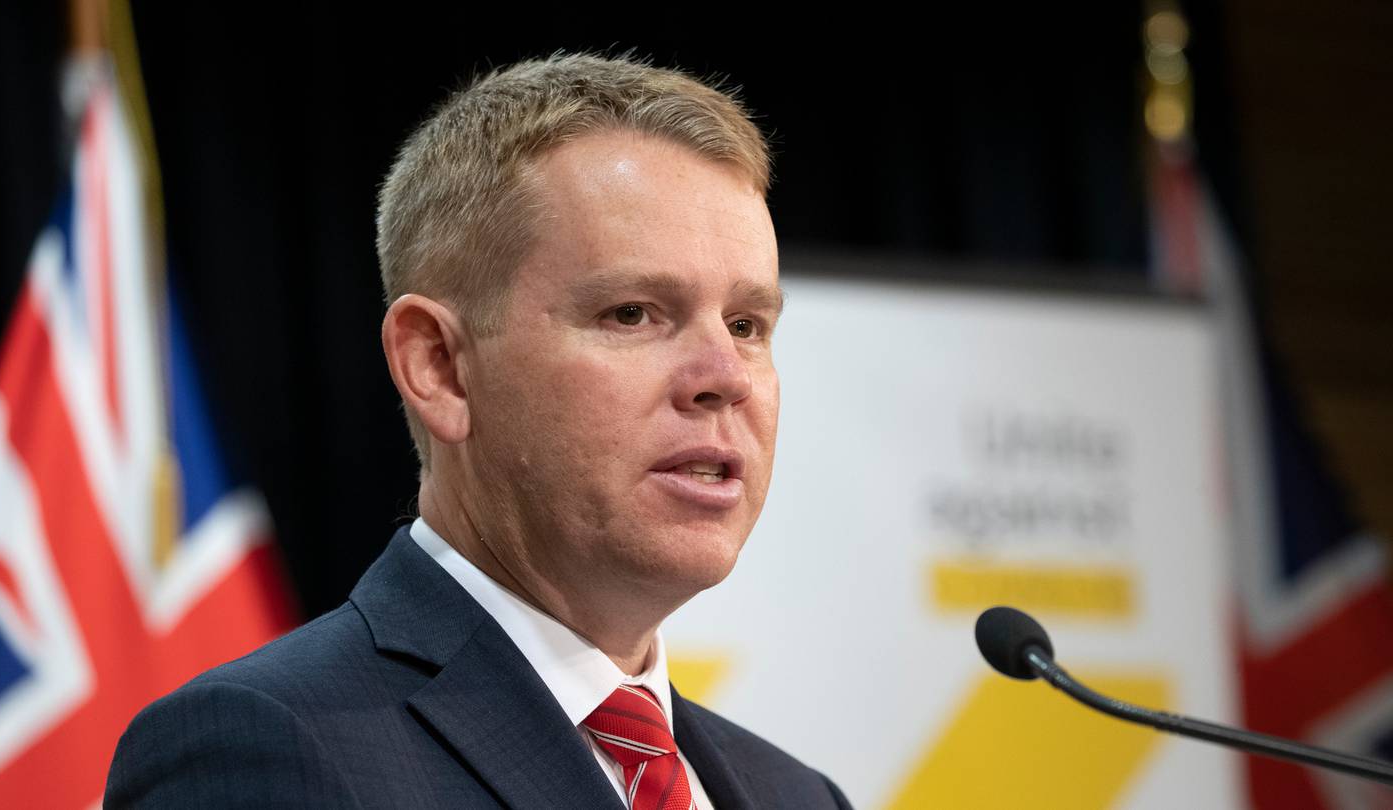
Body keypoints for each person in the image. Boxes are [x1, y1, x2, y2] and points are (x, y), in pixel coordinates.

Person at [105, 53, 851, 809]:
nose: (725, 375)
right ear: (440, 367)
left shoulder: (798, 795)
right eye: (632, 313)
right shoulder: (263, 749)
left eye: (747, 324)